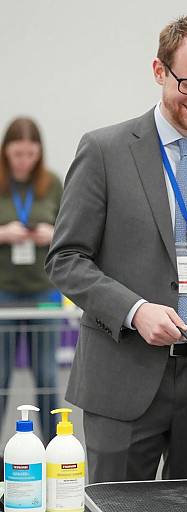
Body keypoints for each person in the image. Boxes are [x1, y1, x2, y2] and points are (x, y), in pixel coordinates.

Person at [45, 14, 187, 484]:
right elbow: (66, 258)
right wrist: (135, 310)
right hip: (123, 376)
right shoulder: (104, 151)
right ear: (158, 71)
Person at [0, 117, 63, 444]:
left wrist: (51, 234)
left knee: (46, 377)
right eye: (17, 153)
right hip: (3, 295)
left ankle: (55, 446)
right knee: (1, 377)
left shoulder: (51, 183)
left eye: (30, 153)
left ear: (39, 152)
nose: (24, 160)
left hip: (43, 292)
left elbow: (69, 230)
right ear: (6, 152)